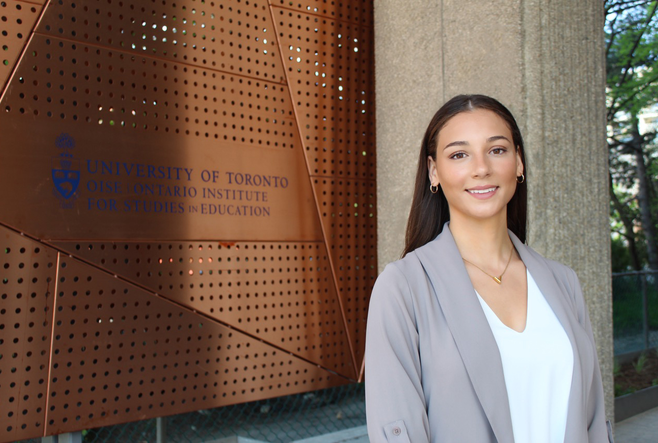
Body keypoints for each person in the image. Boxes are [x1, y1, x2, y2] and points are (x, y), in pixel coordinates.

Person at [364, 95, 613, 443]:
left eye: (497, 150)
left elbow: (593, 419)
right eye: (459, 154)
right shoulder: (403, 287)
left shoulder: (563, 282)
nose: (481, 168)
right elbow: (397, 427)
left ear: (519, 162)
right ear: (434, 171)